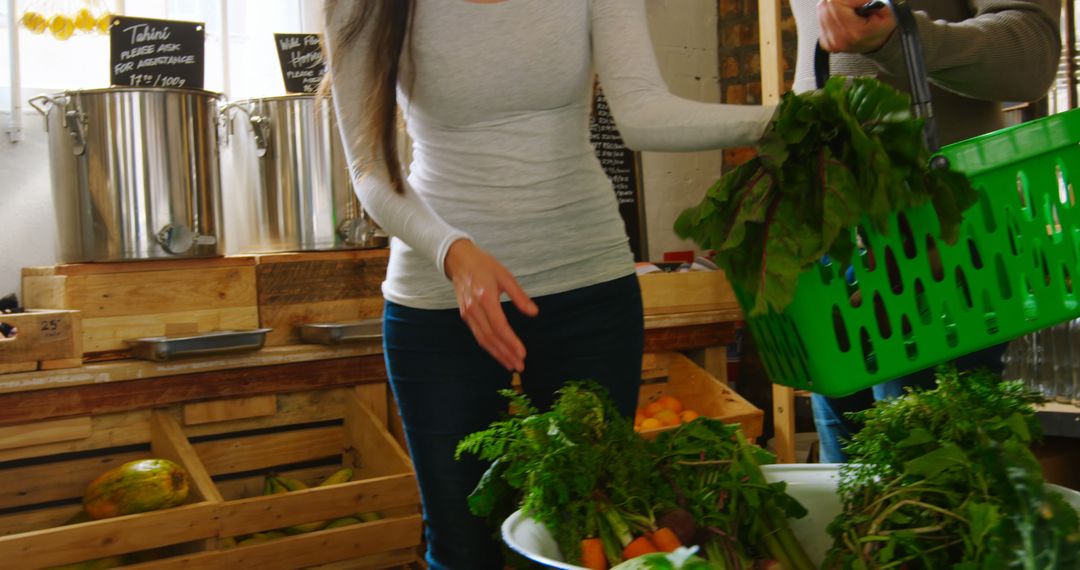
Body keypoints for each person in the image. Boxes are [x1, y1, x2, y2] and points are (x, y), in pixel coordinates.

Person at [322, 2, 776, 568]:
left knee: (591, 530)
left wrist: (776, 121)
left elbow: (640, 113)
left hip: (586, 284)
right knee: (464, 547)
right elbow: (369, 169)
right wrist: (453, 253)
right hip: (440, 305)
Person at [792, 0, 1062, 463]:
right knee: (850, 498)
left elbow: (1030, 57)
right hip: (833, 238)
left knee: (927, 495)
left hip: (937, 238)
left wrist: (896, 40)